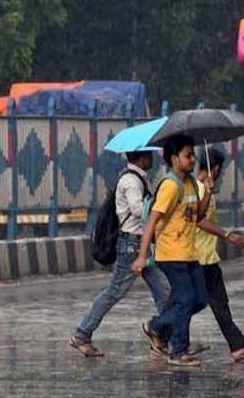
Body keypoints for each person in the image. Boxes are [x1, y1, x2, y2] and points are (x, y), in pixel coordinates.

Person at [69, 150, 170, 357]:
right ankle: (82, 334)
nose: (152, 158)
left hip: (140, 245)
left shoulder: (137, 178)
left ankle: (165, 337)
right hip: (132, 245)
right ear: (141, 158)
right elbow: (136, 209)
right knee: (115, 291)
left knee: (164, 293)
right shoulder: (132, 181)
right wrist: (159, 205)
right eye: (149, 155)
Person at [135, 134, 213, 367]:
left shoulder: (189, 183)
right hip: (170, 254)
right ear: (174, 158)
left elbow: (197, 216)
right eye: (188, 155)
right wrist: (141, 256)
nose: (193, 159)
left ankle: (157, 326)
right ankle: (178, 351)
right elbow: (152, 221)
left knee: (199, 299)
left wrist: (207, 191)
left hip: (189, 253)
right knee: (186, 300)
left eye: (193, 155)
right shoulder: (170, 186)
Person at [195, 148, 244, 362]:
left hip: (205, 255)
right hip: (202, 256)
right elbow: (198, 219)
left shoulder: (203, 189)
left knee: (202, 301)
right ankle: (158, 328)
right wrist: (228, 235)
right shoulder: (199, 189)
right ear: (215, 168)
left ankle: (162, 333)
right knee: (211, 302)